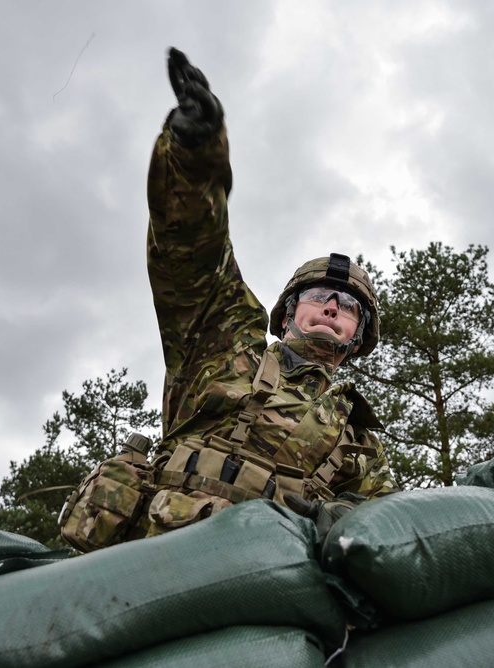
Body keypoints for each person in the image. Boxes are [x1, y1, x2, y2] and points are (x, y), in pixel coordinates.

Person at [142, 47, 400, 536]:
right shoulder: (223, 352)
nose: (332, 306)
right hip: (156, 567)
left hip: (269, 593)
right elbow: (192, 257)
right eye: (318, 296)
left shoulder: (360, 442)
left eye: (348, 307)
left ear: (357, 337)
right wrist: (194, 158)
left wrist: (336, 519)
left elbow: (391, 530)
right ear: (285, 317)